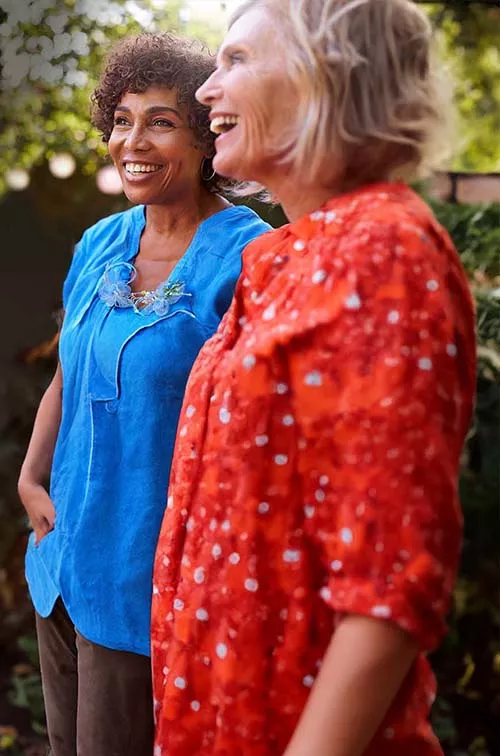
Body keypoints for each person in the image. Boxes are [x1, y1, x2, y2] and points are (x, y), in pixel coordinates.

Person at [151, 2, 477, 755]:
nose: (206, 89)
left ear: (322, 77)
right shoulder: (282, 259)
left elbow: (390, 584)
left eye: (235, 60)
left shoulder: (381, 253)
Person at [18, 32, 269, 756]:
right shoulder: (100, 241)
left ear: (203, 137)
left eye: (160, 121)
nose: (134, 139)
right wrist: (30, 478)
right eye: (122, 120)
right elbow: (68, 372)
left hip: (149, 580)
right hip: (61, 561)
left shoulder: (248, 256)